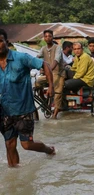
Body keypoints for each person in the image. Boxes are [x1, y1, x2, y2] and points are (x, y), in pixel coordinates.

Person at [0, 29, 55, 167]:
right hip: (4, 111)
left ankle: (48, 149)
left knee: (26, 144)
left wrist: (51, 87)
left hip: (23, 109)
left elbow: (45, 65)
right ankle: (15, 177)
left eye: (0, 41)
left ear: (7, 42)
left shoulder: (21, 57)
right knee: (9, 144)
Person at [37, 30, 65, 119]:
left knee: (57, 93)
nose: (47, 38)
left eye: (49, 36)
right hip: (49, 73)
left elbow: (56, 60)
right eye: (46, 36)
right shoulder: (43, 48)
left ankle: (54, 116)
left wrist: (48, 70)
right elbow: (37, 57)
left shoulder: (58, 48)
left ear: (52, 37)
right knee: (36, 84)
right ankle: (45, 102)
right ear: (44, 38)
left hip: (58, 73)